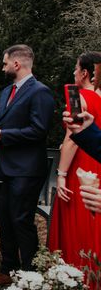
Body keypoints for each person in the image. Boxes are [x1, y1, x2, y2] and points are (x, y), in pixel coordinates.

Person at [0, 44, 54, 287]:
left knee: (21, 220)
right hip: (4, 166)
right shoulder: (5, 92)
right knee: (4, 218)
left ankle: (29, 276)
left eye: (4, 63)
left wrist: (3, 135)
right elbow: (3, 122)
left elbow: (39, 130)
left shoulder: (40, 92)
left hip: (26, 169)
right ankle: (7, 269)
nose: (2, 67)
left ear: (17, 64)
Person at [48, 52, 101, 270]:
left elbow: (71, 140)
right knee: (93, 223)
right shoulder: (99, 98)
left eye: (76, 68)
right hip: (96, 164)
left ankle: (74, 276)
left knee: (75, 222)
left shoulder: (78, 97)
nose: (73, 72)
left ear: (85, 73)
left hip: (79, 167)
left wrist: (60, 175)